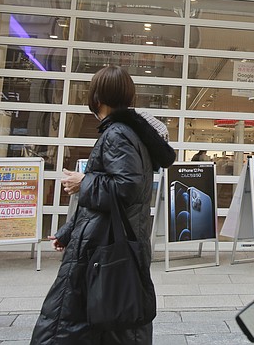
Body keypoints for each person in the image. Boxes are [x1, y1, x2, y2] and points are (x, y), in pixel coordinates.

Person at [31, 65, 175, 345]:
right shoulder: (128, 133)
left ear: (97, 97)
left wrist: (82, 182)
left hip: (100, 250)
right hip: (105, 245)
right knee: (108, 324)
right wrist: (68, 232)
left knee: (69, 325)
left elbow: (126, 187)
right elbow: (105, 199)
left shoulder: (117, 134)